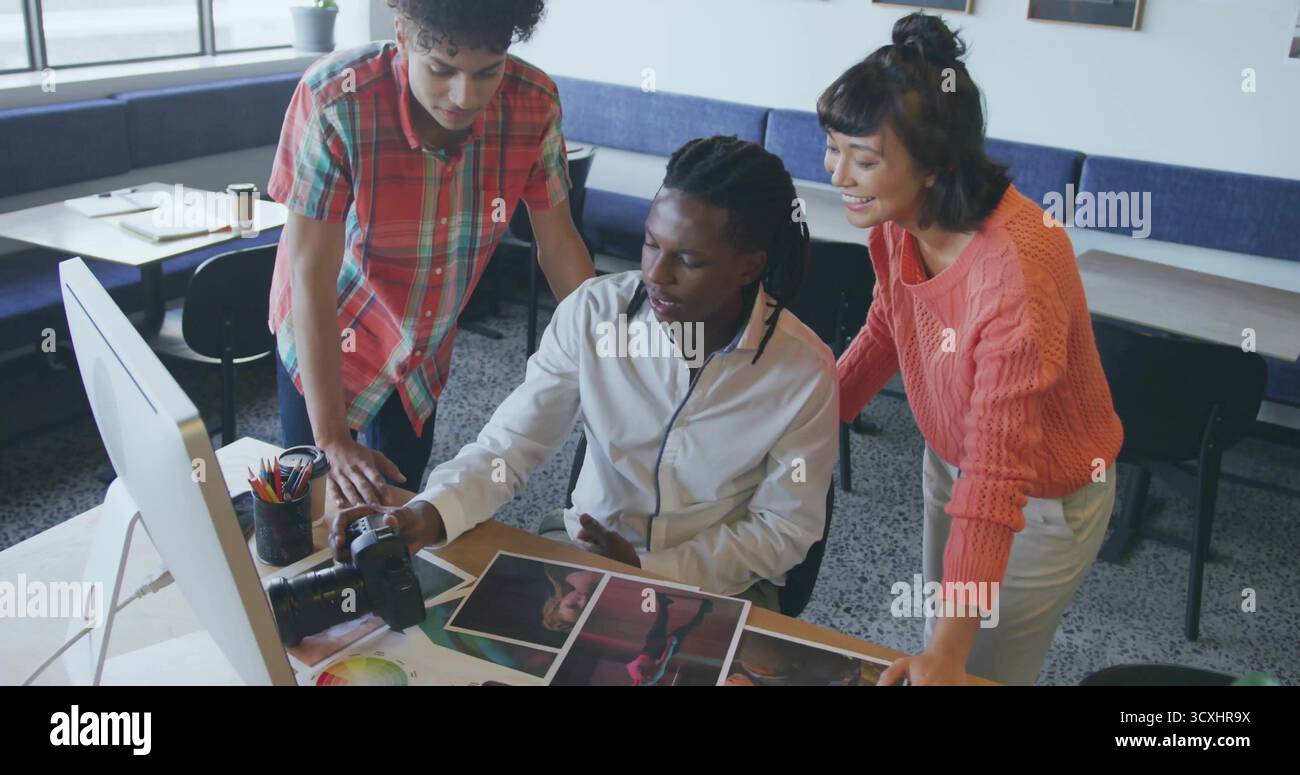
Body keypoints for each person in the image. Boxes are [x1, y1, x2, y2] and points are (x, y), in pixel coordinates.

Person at [331, 135, 839, 606]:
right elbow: (510, 447)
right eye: (651, 244)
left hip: (717, 584)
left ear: (748, 267)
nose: (656, 275)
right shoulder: (593, 314)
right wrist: (430, 511)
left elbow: (782, 530)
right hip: (582, 552)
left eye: (687, 259)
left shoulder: (802, 372)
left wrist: (649, 570)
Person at [823, 13, 1123, 685]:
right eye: (833, 147)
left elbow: (996, 481)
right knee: (945, 634)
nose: (838, 173)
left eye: (862, 159)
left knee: (978, 668)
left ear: (934, 166)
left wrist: (950, 656)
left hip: (1041, 496)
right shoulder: (896, 218)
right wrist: (808, 426)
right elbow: (887, 329)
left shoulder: (1016, 269)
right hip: (954, 458)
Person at [269, 0, 593, 508]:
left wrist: (609, 353)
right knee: (313, 505)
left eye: (487, 72)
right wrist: (331, 438)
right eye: (441, 69)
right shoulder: (334, 97)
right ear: (400, 34)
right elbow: (311, 274)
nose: (465, 97)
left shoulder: (535, 102)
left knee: (396, 505)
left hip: (423, 342)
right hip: (334, 327)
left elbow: (558, 244)